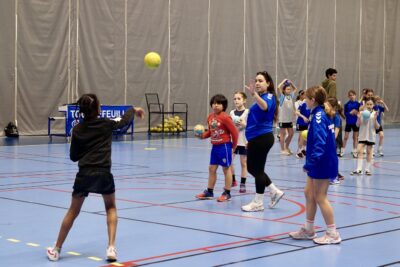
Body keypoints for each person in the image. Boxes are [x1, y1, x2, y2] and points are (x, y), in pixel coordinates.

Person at [46, 94, 145, 262]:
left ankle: (56, 249)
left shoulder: (77, 129)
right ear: (98, 108)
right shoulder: (106, 124)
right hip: (103, 173)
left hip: (84, 174)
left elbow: (73, 157)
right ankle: (111, 248)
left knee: (73, 210)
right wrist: (133, 110)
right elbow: (122, 123)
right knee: (111, 207)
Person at [289, 86, 341, 245]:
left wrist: (311, 163)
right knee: (308, 193)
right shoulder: (317, 113)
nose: (304, 100)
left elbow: (320, 142)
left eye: (306, 98)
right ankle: (309, 229)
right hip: (320, 160)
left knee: (320, 196)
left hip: (321, 161)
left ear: (312, 100)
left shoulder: (318, 116)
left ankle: (332, 233)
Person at [241, 71, 284, 212]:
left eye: (261, 80)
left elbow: (265, 106)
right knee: (253, 168)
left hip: (262, 138)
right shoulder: (262, 97)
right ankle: (273, 190)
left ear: (268, 83)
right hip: (256, 137)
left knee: (256, 170)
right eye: (256, 80)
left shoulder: (269, 96)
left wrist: (254, 95)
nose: (257, 83)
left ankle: (258, 202)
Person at [195, 94, 239, 202]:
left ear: (223, 106)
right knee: (212, 168)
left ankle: (227, 193)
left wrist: (233, 146)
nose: (216, 105)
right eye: (214, 103)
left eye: (219, 103)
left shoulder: (225, 117)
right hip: (215, 147)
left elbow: (235, 132)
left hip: (224, 146)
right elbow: (211, 131)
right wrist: (202, 136)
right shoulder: (210, 117)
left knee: (226, 169)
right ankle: (209, 192)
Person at [350, 97, 380, 175]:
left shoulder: (375, 113)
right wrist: (359, 118)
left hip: (371, 136)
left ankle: (367, 169)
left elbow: (377, 127)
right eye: (368, 104)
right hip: (362, 135)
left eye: (371, 104)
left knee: (369, 152)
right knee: (359, 150)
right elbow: (357, 125)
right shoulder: (362, 113)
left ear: (373, 105)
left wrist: (375, 119)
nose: (369, 106)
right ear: (365, 105)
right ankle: (359, 169)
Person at [229, 91, 249, 193]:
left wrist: (243, 124)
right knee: (229, 161)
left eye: (239, 99)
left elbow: (249, 126)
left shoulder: (247, 112)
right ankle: (233, 180)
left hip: (244, 141)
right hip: (233, 141)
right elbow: (230, 126)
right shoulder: (232, 113)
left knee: (243, 163)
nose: (236, 100)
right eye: (235, 99)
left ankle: (243, 184)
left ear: (244, 100)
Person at [327, 97, 345, 184]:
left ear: (333, 107)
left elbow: (336, 130)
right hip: (325, 140)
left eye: (328, 106)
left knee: (333, 158)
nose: (326, 107)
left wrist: (331, 141)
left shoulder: (336, 117)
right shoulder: (325, 115)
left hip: (332, 141)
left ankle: (335, 175)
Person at [277, 79, 298, 155]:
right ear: (284, 90)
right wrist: (284, 81)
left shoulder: (291, 96)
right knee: (283, 134)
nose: (289, 90)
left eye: (290, 89)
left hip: (289, 119)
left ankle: (286, 147)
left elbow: (295, 89)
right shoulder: (282, 97)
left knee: (291, 133)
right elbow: (278, 87)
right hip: (283, 119)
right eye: (287, 89)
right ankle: (282, 150)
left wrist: (291, 82)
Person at [343, 90, 360, 158]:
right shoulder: (346, 104)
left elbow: (360, 112)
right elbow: (345, 114)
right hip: (348, 123)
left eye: (353, 95)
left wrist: (357, 112)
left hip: (356, 123)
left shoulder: (358, 104)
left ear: (355, 95)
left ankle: (355, 151)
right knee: (345, 137)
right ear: (348, 96)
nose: (351, 96)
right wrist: (350, 113)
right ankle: (342, 150)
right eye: (350, 95)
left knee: (355, 138)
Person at [295, 90, 310, 159]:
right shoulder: (303, 104)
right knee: (301, 136)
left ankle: (303, 149)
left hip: (306, 123)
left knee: (305, 137)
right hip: (300, 122)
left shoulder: (310, 105)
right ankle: (298, 152)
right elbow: (297, 112)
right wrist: (303, 117)